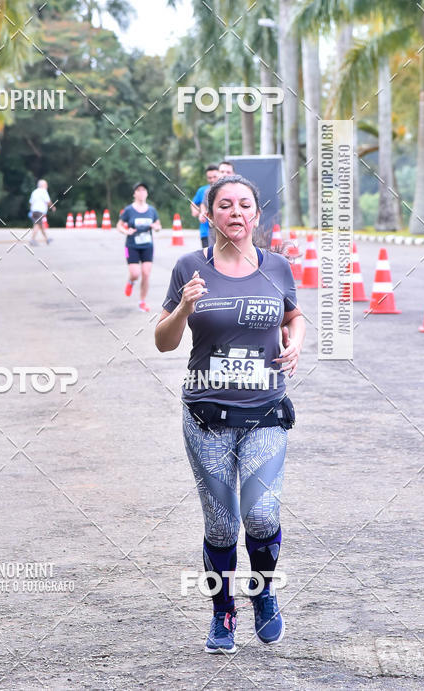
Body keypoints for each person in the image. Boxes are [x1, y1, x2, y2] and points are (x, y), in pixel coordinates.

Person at [155, 174, 305, 654]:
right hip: (206, 416)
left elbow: (292, 315)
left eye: (244, 205)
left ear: (256, 215)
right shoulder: (188, 267)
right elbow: (163, 340)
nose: (235, 212)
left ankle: (264, 596)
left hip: (265, 411)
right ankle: (223, 614)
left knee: (261, 515)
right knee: (221, 524)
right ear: (210, 213)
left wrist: (296, 342)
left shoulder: (277, 267)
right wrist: (183, 306)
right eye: (225, 205)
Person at [117, 183, 161, 312]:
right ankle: (131, 281)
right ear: (134, 194)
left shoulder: (151, 210)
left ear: (147, 193)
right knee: (135, 274)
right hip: (132, 246)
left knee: (146, 274)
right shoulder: (129, 210)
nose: (141, 193)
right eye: (138, 190)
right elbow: (119, 225)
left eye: (143, 190)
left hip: (148, 246)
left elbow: (158, 226)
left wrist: (156, 227)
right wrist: (126, 231)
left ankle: (142, 301)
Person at [204, 161, 235, 247]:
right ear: (218, 173)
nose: (225, 174)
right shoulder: (209, 192)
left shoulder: (242, 191)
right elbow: (204, 205)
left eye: (228, 172)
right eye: (222, 172)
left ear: (233, 174)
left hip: (235, 235)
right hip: (215, 235)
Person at [191, 164, 219, 249]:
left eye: (214, 177)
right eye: (209, 178)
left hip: (221, 232)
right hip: (205, 232)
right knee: (208, 258)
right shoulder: (202, 191)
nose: (212, 180)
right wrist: (198, 212)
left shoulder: (225, 190)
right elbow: (194, 203)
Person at [29, 179, 55, 245]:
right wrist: (52, 207)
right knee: (37, 225)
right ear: (42, 185)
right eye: (46, 184)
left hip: (34, 211)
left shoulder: (34, 192)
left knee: (41, 225)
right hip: (39, 211)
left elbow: (31, 202)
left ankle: (47, 239)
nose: (47, 186)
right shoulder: (43, 191)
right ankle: (32, 239)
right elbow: (48, 201)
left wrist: (31, 211)